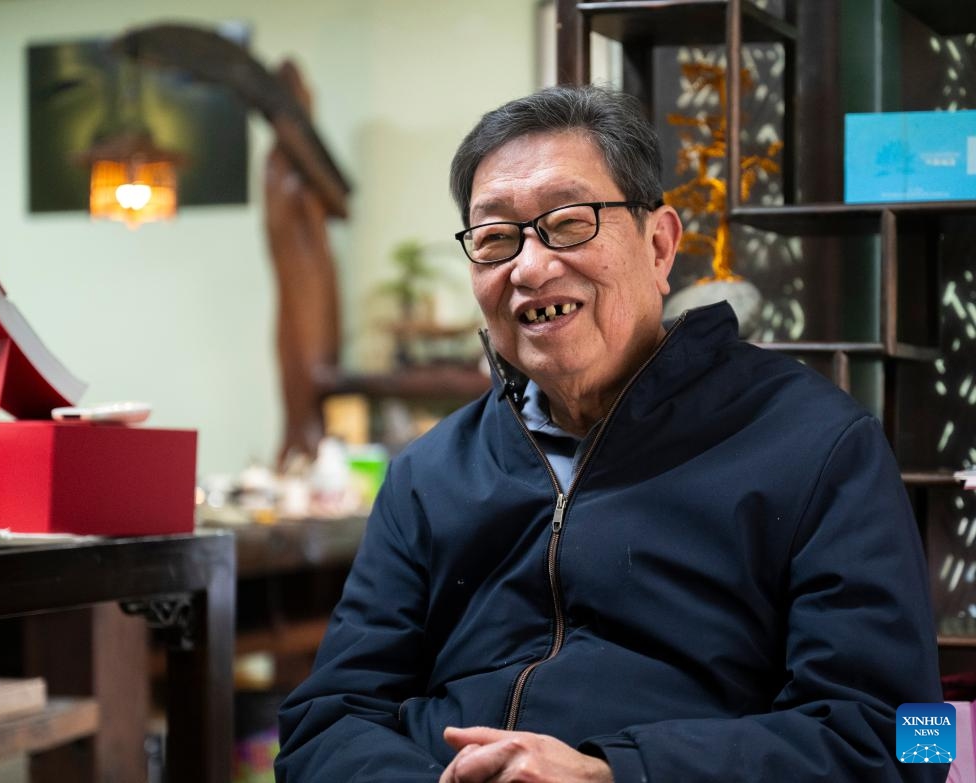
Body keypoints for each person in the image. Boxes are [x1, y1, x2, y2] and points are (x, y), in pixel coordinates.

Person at [275, 85, 945, 782]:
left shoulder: (820, 448)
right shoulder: (430, 474)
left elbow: (906, 742)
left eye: (569, 222)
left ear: (660, 245)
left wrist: (615, 773)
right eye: (496, 237)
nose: (530, 268)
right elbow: (326, 721)